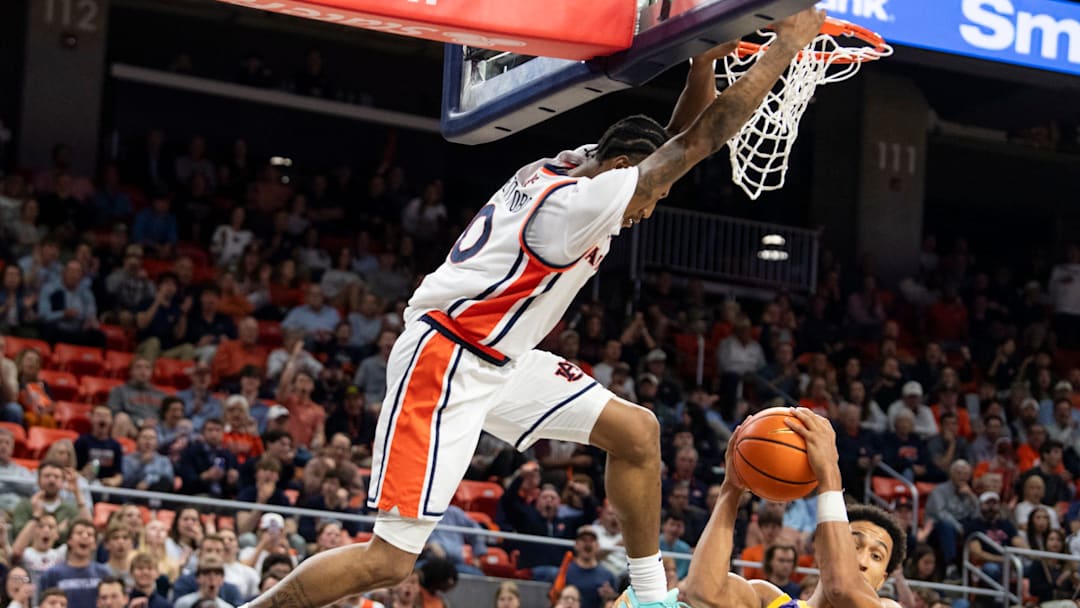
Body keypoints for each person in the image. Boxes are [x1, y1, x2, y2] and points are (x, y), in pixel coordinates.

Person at [242, 10, 825, 608]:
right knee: (387, 562)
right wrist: (785, 47)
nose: (647, 211)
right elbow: (698, 144)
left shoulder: (574, 165)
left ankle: (650, 600)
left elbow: (672, 144)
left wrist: (702, 63)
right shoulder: (578, 208)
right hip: (447, 362)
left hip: (502, 357)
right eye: (647, 198)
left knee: (637, 433)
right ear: (623, 173)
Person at [661, 407, 907, 608]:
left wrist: (829, 473)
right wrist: (731, 489)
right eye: (853, 545)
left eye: (876, 556)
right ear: (823, 547)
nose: (862, 561)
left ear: (883, 578)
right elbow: (703, 591)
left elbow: (840, 588)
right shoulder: (768, 599)